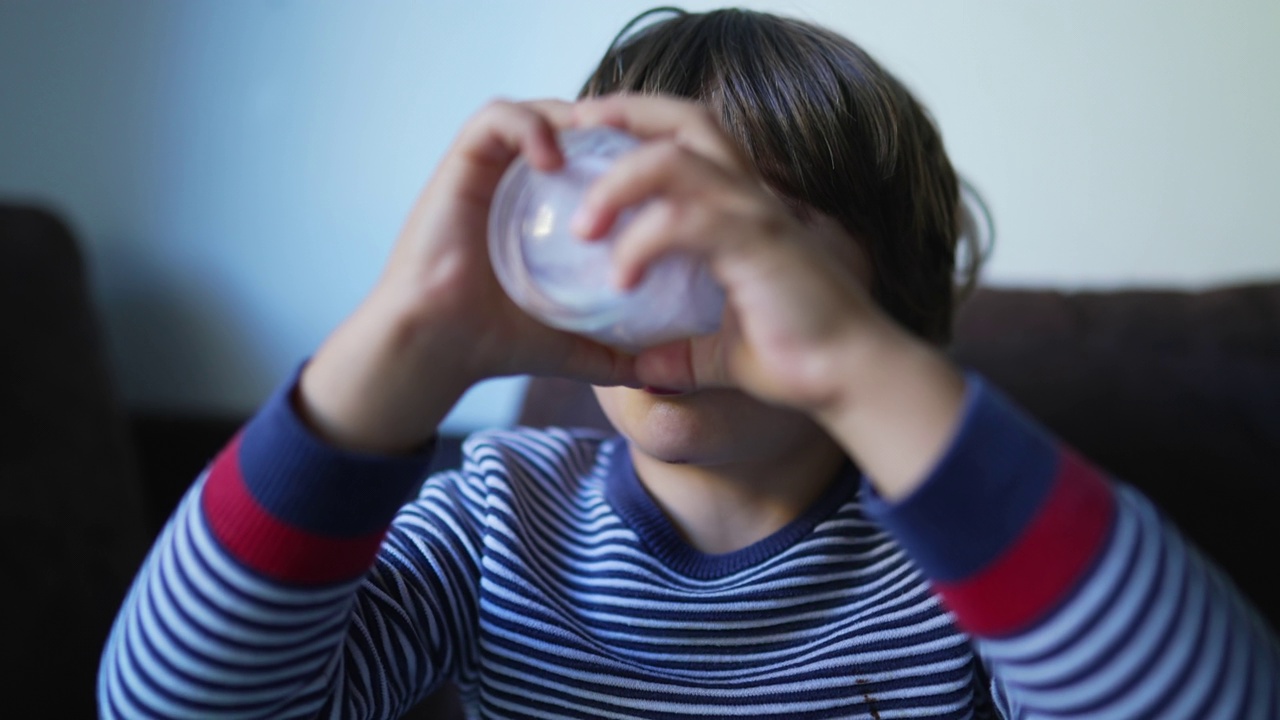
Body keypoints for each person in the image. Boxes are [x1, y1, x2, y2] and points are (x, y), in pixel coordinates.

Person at [99, 7, 1278, 718]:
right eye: (623, 216)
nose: (674, 275)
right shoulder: (498, 520)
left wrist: (866, 376)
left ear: (876, 304)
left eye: (743, 234)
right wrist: (394, 351)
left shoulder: (969, 557)